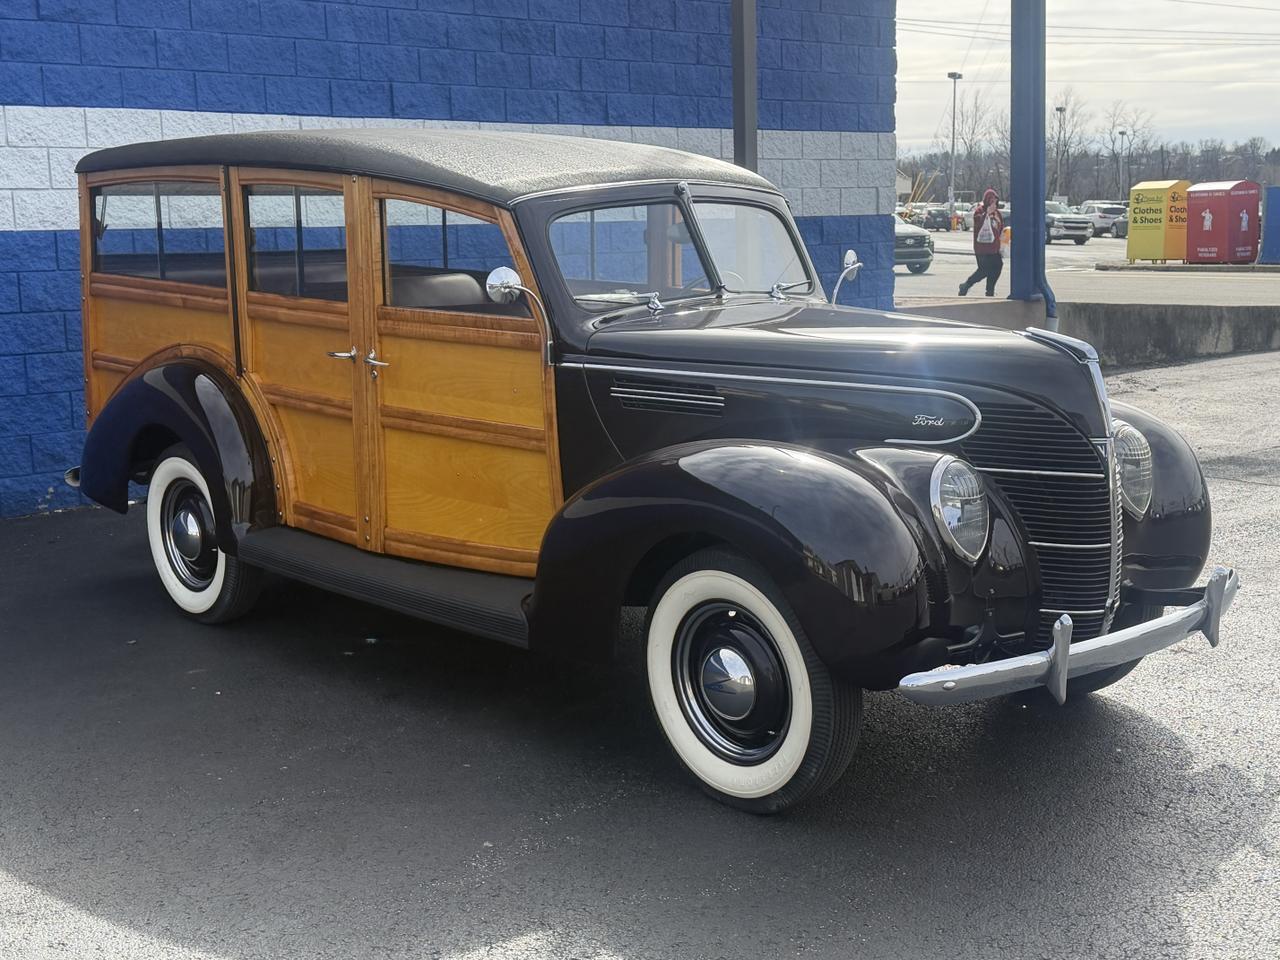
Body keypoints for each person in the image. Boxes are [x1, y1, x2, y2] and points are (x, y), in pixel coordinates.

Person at [959, 188, 1003, 297]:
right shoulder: (979, 211)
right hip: (982, 248)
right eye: (991, 200)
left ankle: (990, 290)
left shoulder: (997, 213)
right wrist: (987, 213)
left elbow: (1000, 227)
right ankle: (966, 285)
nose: (993, 203)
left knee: (998, 266)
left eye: (995, 201)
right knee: (984, 270)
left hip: (994, 247)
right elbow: (978, 223)